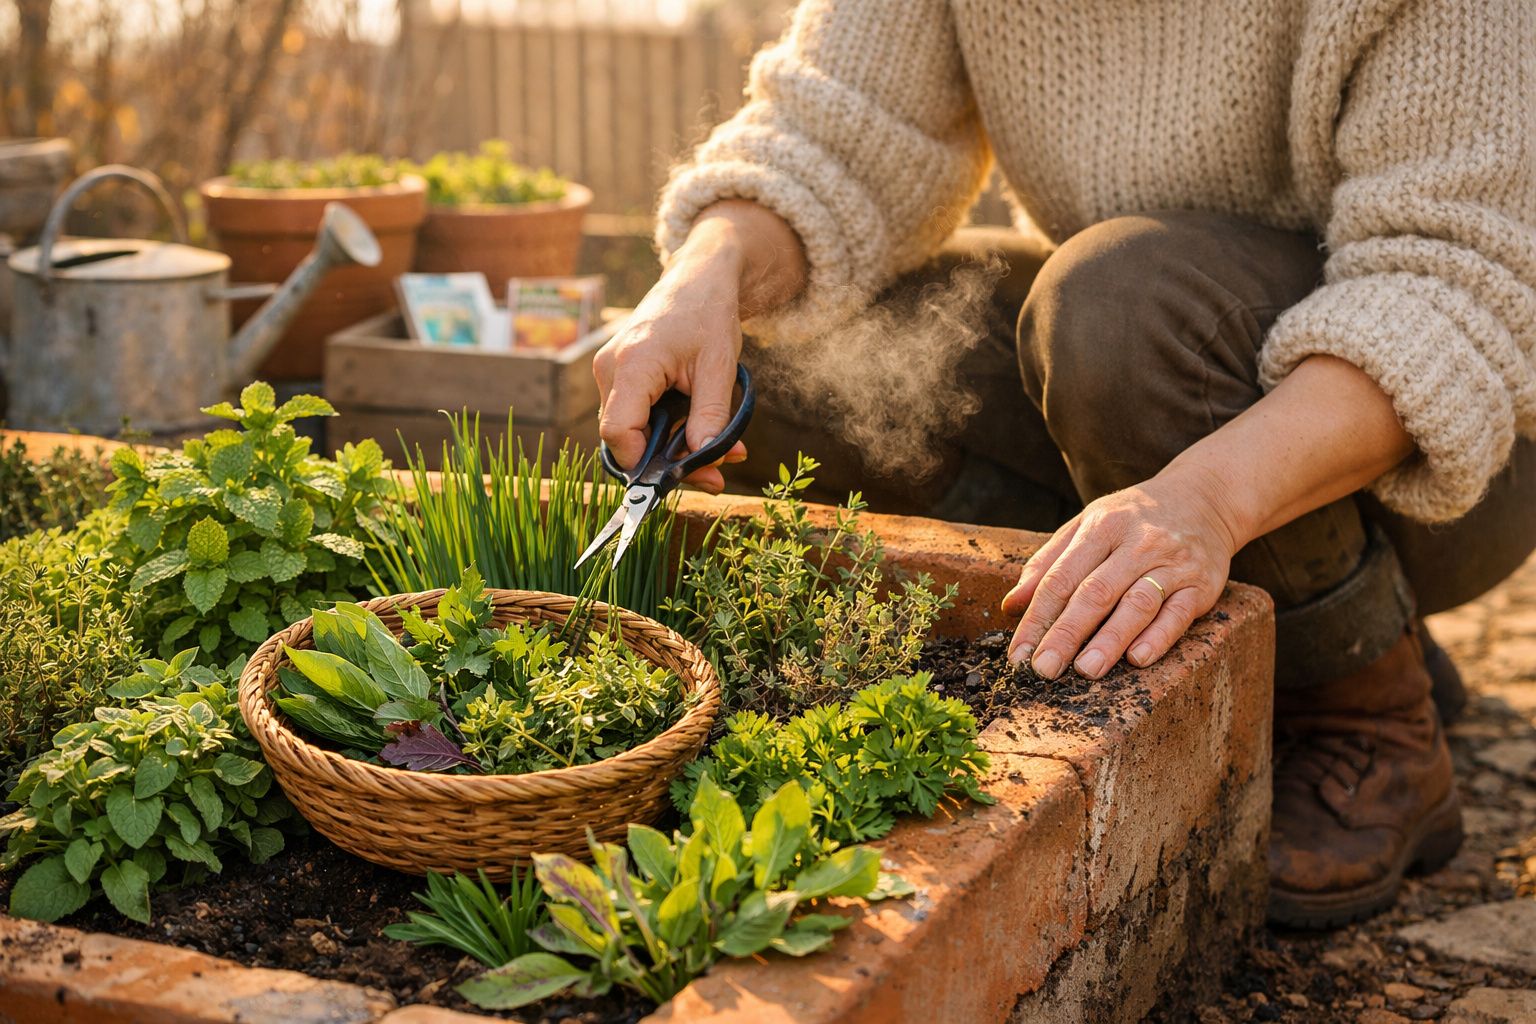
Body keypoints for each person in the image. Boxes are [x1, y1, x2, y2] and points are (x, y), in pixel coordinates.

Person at [592, 0, 1536, 927]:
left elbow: (1450, 288)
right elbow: (832, 130)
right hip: (1138, 371)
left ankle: (1366, 707)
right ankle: (1286, 623)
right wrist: (703, 278)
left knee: (1116, 309)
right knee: (769, 353)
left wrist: (1203, 500)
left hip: (1444, 447)